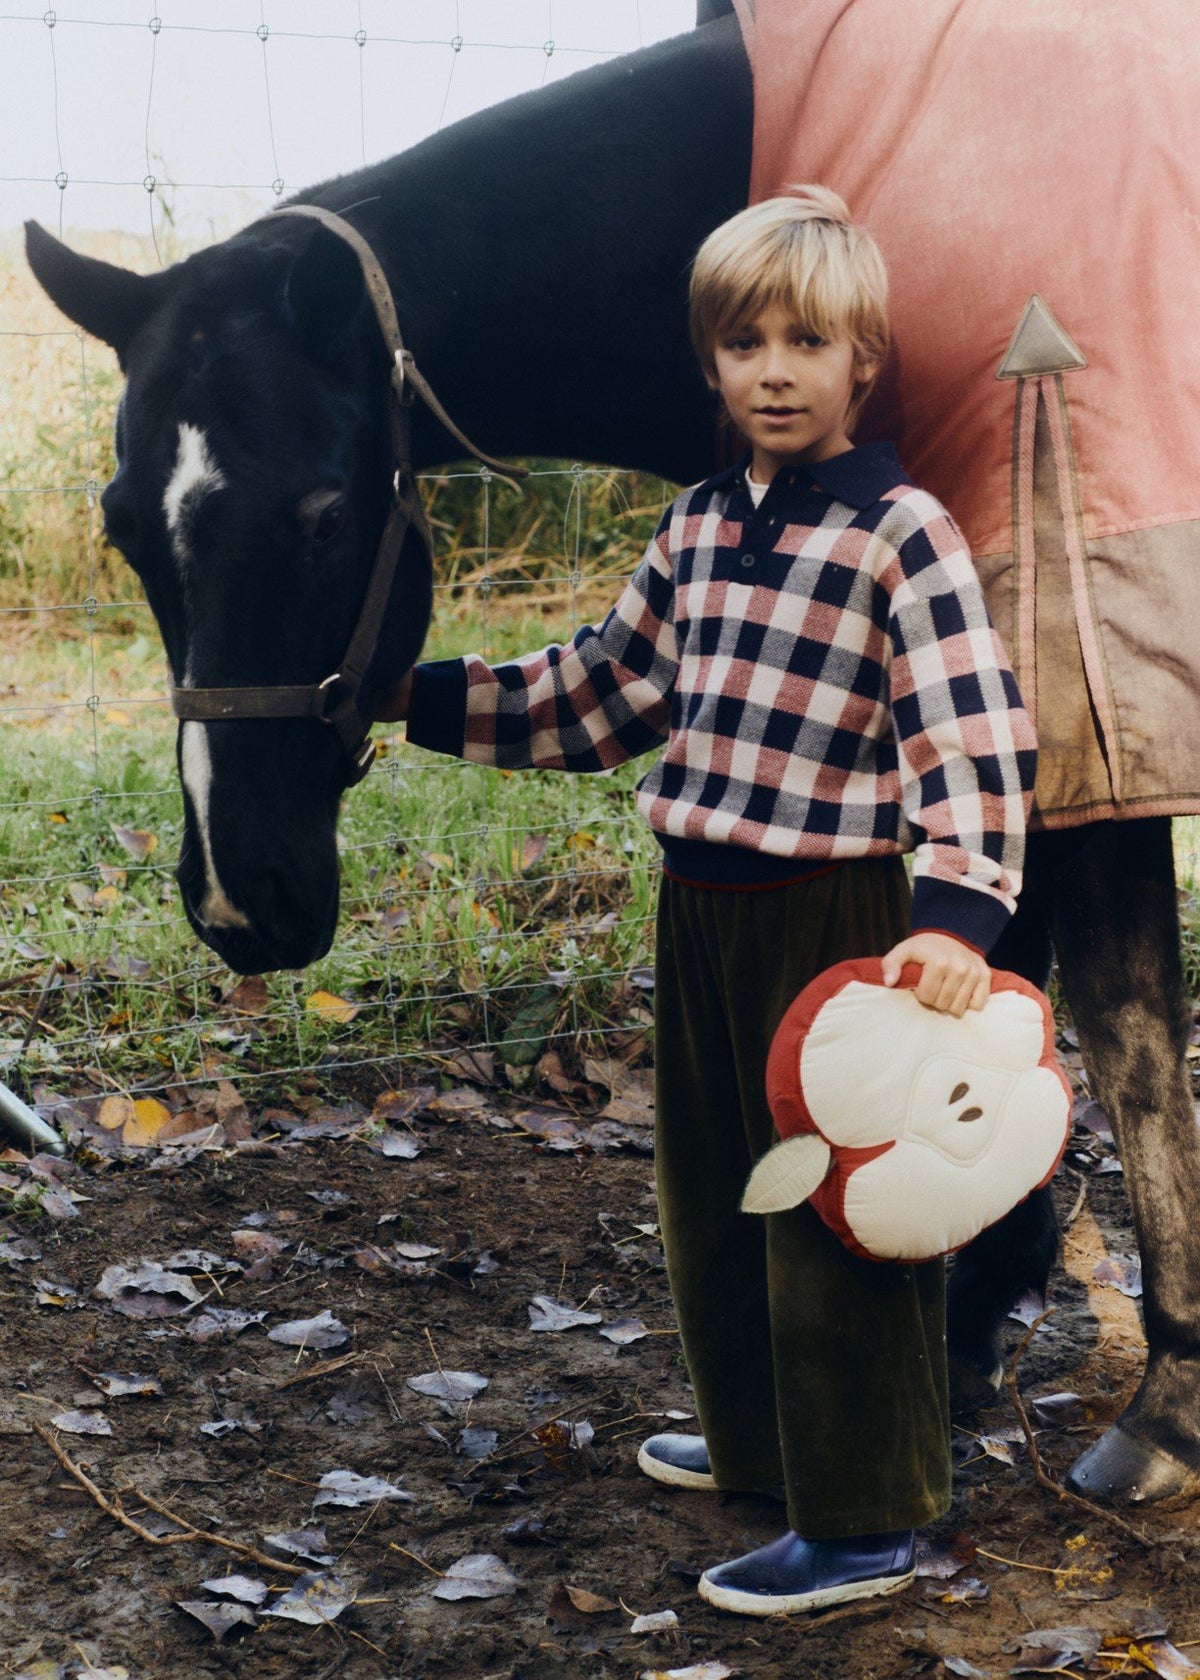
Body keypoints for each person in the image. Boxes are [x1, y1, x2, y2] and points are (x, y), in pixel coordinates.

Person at [377, 186, 1036, 1616]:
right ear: (713, 364)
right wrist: (405, 696)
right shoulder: (694, 531)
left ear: (862, 361)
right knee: (719, 1191)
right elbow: (597, 698)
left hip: (840, 920)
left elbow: (973, 737)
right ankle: (764, 1445)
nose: (778, 370)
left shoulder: (899, 532)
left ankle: (867, 1518)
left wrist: (958, 914)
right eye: (746, 343)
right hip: (706, 906)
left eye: (810, 341)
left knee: (835, 1213)